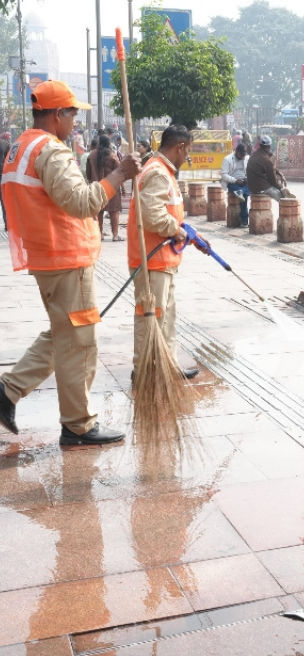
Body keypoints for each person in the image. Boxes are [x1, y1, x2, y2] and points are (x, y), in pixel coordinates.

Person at [0, 80, 140, 445]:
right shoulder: (52, 150)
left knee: (64, 333)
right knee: (80, 339)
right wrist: (119, 174)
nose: (75, 121)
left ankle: (7, 391)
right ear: (57, 114)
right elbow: (81, 202)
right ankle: (78, 424)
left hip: (46, 256)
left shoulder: (21, 146)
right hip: (65, 256)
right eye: (73, 113)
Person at [127, 124, 203, 381]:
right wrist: (174, 230)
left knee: (165, 317)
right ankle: (144, 370)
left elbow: (166, 210)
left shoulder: (163, 171)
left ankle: (167, 365)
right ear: (179, 147)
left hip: (163, 260)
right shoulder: (159, 172)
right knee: (151, 317)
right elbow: (151, 214)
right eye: (188, 151)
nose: (187, 157)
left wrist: (189, 233)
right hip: (152, 260)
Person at [87, 134, 123, 241]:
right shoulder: (112, 155)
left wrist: (91, 183)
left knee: (99, 210)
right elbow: (119, 171)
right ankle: (115, 235)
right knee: (114, 210)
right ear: (109, 144)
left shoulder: (91, 155)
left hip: (96, 186)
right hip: (112, 186)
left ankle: (100, 234)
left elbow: (88, 173)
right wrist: (123, 187)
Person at [246, 136, 289, 201]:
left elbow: (269, 167)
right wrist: (281, 188)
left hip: (251, 187)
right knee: (283, 199)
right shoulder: (267, 161)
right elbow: (273, 181)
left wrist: (279, 173)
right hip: (261, 188)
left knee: (275, 188)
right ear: (269, 147)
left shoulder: (254, 155)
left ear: (260, 145)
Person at [221, 143, 250, 228]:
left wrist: (247, 178)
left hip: (244, 182)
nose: (242, 157)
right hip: (233, 182)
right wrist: (235, 180)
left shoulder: (247, 158)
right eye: (241, 154)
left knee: (246, 190)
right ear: (236, 151)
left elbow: (251, 172)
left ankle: (240, 192)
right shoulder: (227, 159)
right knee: (244, 195)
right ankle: (244, 221)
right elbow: (224, 175)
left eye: (244, 155)